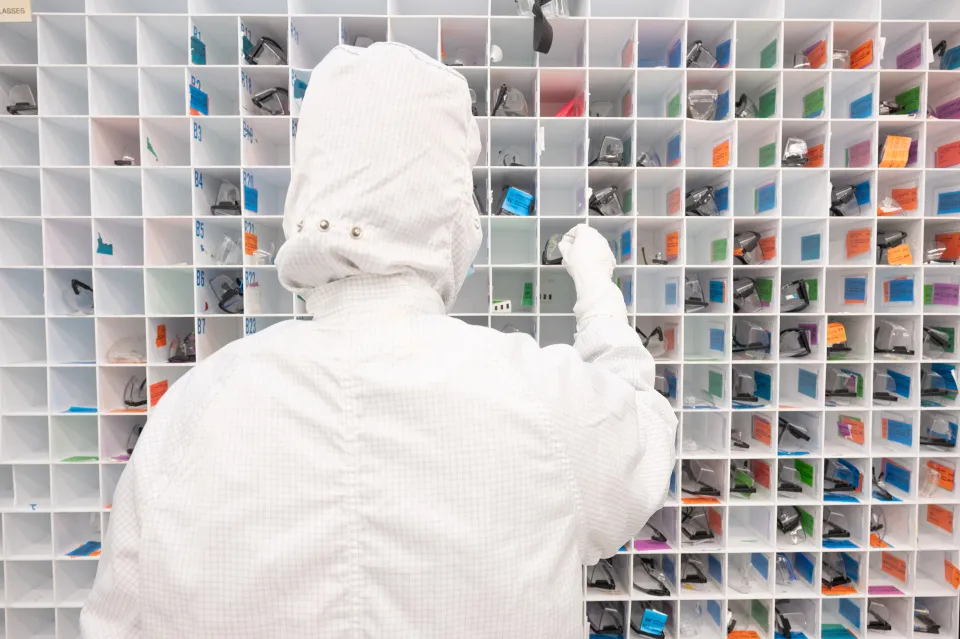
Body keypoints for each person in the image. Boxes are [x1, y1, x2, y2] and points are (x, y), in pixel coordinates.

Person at [81, 42, 677, 638]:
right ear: (444, 207)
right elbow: (641, 438)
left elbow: (113, 625)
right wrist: (599, 295)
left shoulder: (193, 408)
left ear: (307, 194)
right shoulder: (538, 395)